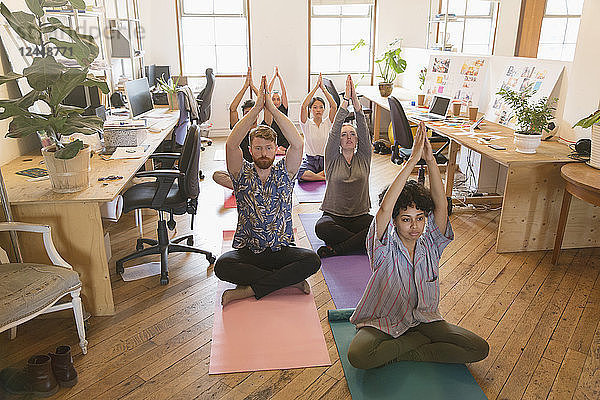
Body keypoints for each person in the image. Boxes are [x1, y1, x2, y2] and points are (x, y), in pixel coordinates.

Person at [346, 124, 489, 369]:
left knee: (478, 348)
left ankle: (407, 350)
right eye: (406, 219)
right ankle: (417, 345)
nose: (414, 226)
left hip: (424, 321)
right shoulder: (384, 248)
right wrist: (412, 160)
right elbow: (384, 209)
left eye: (420, 218)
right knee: (358, 356)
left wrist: (431, 161)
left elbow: (441, 206)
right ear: (394, 221)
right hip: (384, 321)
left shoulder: (431, 243)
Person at [214, 76, 321, 306]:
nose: (264, 153)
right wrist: (255, 110)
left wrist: (271, 107)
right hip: (249, 253)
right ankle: (288, 282)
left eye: (268, 148)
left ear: (275, 150)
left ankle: (248, 290)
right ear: (251, 150)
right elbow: (232, 144)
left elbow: (298, 144)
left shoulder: (285, 172)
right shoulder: (241, 174)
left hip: (280, 251)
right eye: (259, 148)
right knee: (222, 266)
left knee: (312, 261)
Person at [315, 75, 373, 258]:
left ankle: (339, 248)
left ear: (357, 140)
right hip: (334, 215)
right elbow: (334, 129)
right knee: (321, 227)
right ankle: (363, 244)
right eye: (344, 135)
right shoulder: (332, 158)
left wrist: (357, 106)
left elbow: (363, 128)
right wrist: (345, 101)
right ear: (338, 141)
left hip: (359, 216)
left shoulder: (364, 156)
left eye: (352, 134)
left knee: (382, 227)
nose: (348, 137)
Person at [213, 67, 259, 189]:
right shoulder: (239, 129)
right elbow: (233, 108)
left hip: (258, 170)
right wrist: (245, 87)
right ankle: (246, 187)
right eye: (246, 113)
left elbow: (266, 103)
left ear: (257, 114)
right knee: (217, 175)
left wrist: (253, 87)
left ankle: (245, 188)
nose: (249, 115)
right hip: (241, 171)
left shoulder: (263, 129)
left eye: (252, 112)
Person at [298, 73, 337, 181]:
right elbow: (303, 106)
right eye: (315, 107)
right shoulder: (307, 124)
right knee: (301, 173)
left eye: (321, 107)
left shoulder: (328, 123)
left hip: (326, 160)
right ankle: (323, 177)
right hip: (310, 161)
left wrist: (323, 89)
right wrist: (315, 87)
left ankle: (317, 176)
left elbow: (334, 106)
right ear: (310, 110)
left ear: (324, 109)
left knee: (336, 170)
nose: (318, 110)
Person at [264, 66, 289, 155]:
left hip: (283, 138)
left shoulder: (283, 108)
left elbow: (284, 92)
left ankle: (280, 150)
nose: (276, 101)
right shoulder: (270, 108)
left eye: (278, 99)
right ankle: (277, 150)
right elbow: (268, 92)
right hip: (273, 137)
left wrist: (280, 78)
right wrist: (274, 76)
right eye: (273, 99)